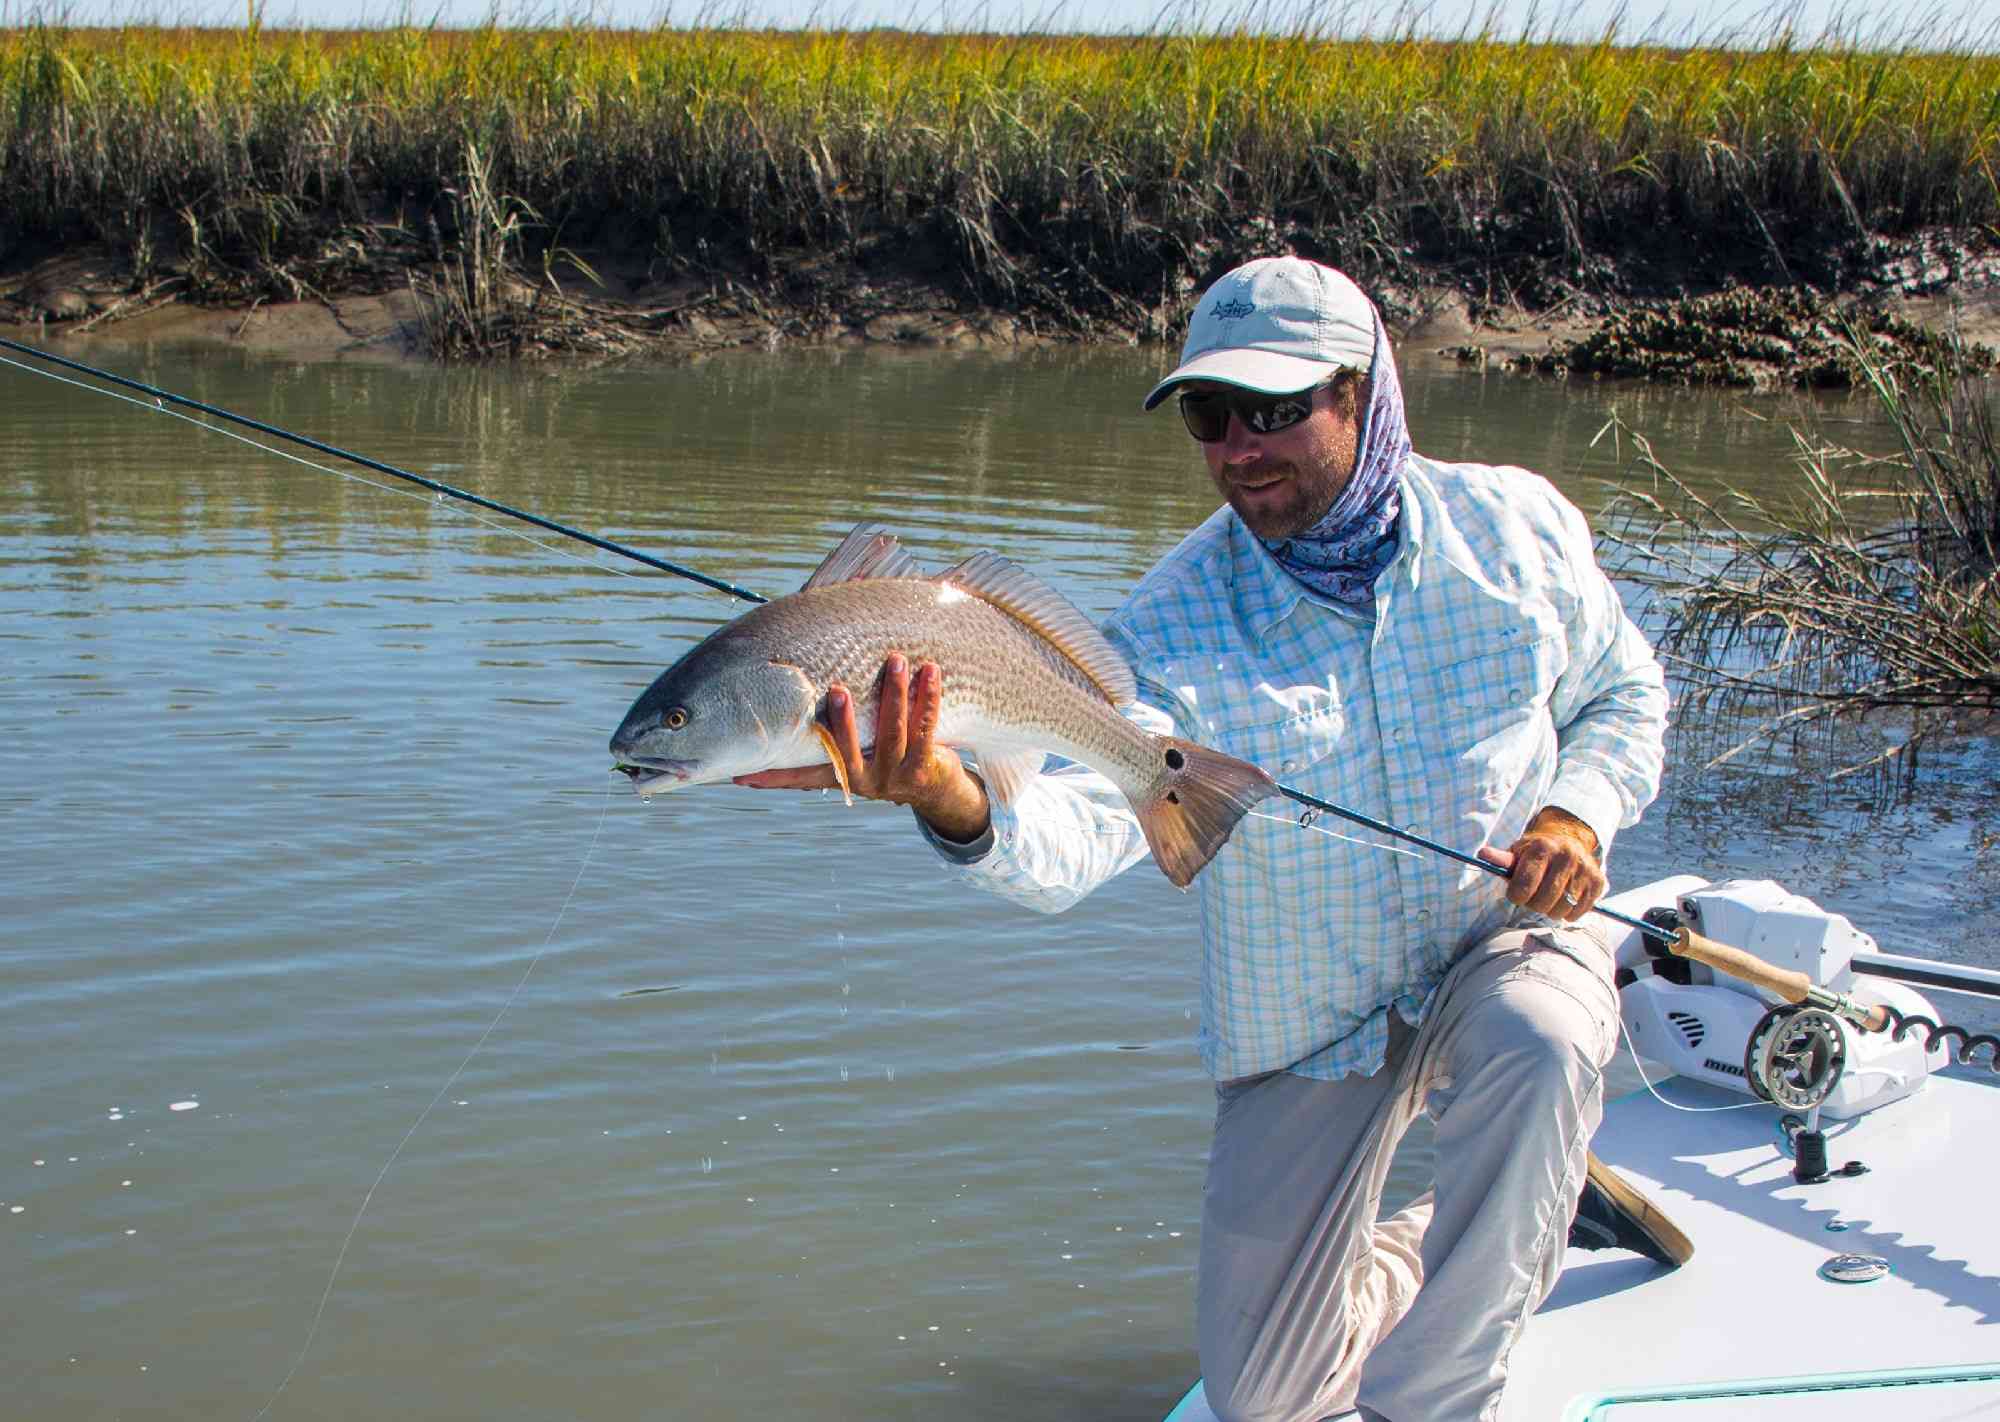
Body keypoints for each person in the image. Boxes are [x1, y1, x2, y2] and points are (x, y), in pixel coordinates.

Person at [740, 256, 1685, 1422]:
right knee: (1264, 1399)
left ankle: (1434, 1398)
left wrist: (1572, 812)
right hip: (1305, 1013)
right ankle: (1511, 1206)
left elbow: (1624, 697)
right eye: (1207, 413)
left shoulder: (1515, 529)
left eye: (1276, 409)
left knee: (1539, 1041)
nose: (1239, 446)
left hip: (1506, 945)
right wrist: (950, 796)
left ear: (1364, 390)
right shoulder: (1170, 624)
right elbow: (1078, 833)